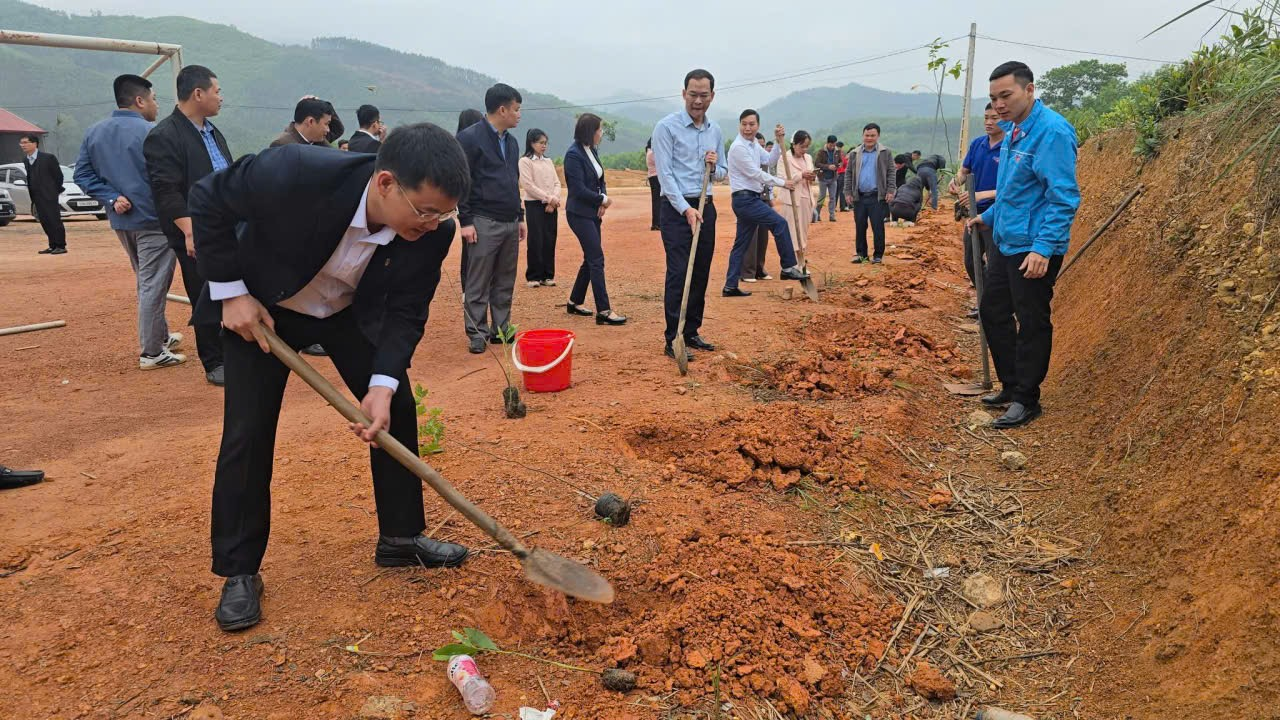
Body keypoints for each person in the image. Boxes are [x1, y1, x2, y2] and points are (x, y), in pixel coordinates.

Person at [188, 123, 472, 632]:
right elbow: (208, 198)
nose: (433, 225)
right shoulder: (295, 171)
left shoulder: (433, 234)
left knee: (397, 405)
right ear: (386, 183)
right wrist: (231, 292)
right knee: (248, 432)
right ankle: (239, 570)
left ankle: (400, 538)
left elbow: (406, 310)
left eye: (443, 214)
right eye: (425, 211)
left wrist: (381, 385)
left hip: (346, 314)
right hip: (263, 308)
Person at [969, 61, 1080, 429]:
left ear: (1029, 90)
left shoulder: (1051, 133)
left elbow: (1062, 197)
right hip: (1008, 239)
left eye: (1006, 95)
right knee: (992, 310)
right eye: (993, 98)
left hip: (1033, 245)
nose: (999, 104)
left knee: (1031, 319)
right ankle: (1012, 384)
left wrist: (1043, 248)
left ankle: (1027, 399)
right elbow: (1015, 189)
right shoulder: (1014, 129)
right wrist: (988, 217)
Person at [75, 74, 186, 371]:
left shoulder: (94, 132)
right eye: (153, 99)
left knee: (146, 280)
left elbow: (82, 175)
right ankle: (152, 352)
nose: (156, 105)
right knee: (153, 284)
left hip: (123, 222)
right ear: (139, 100)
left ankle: (160, 335)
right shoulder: (154, 133)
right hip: (154, 221)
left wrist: (111, 197)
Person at [143, 64, 230, 385]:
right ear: (198, 94)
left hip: (225, 225)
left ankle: (236, 351)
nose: (221, 97)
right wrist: (190, 229)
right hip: (195, 231)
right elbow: (166, 190)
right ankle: (214, 361)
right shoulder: (164, 136)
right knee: (204, 292)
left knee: (233, 287)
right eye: (217, 91)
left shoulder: (212, 131)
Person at [652, 68, 727, 363]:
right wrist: (685, 208)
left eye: (703, 95)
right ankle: (674, 337)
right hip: (676, 209)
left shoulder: (715, 130)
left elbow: (722, 173)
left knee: (701, 270)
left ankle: (692, 330)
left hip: (705, 205)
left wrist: (715, 165)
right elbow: (665, 175)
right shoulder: (666, 128)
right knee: (679, 271)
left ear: (712, 96)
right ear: (683, 94)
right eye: (693, 95)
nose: (698, 101)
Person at [457, 84, 525, 354]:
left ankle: (501, 328)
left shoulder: (512, 142)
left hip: (510, 219)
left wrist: (520, 216)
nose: (519, 115)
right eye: (516, 109)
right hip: (483, 219)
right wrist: (465, 221)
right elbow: (463, 181)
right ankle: (477, 332)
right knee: (478, 280)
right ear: (502, 109)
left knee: (505, 279)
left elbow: (513, 181)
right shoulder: (469, 138)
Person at [722, 109, 807, 298]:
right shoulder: (738, 147)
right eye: (744, 124)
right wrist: (782, 182)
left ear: (758, 126)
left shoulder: (753, 145)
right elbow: (755, 173)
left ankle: (730, 286)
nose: (747, 128)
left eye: (751, 124)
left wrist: (777, 141)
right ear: (739, 125)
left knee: (741, 245)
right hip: (745, 199)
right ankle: (788, 267)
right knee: (780, 224)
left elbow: (769, 160)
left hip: (750, 198)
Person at [563, 114, 626, 325]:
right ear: (590, 131)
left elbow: (601, 179)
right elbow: (578, 189)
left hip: (592, 212)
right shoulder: (573, 155)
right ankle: (604, 310)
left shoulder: (592, 150)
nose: (602, 133)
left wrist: (601, 199)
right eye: (599, 129)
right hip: (579, 214)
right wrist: (602, 200)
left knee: (591, 258)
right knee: (596, 258)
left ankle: (574, 301)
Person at [951, 103, 1006, 288]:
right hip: (974, 212)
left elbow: (1014, 188)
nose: (989, 122)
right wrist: (956, 181)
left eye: (994, 118)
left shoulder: (1010, 147)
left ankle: (994, 301)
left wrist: (981, 195)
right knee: (971, 262)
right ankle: (984, 298)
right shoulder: (977, 144)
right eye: (986, 118)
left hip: (997, 213)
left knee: (995, 264)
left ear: (1005, 119)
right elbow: (964, 171)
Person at [844, 123, 896, 264]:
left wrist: (891, 190)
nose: (869, 138)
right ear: (863, 135)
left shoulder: (885, 152)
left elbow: (891, 172)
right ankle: (862, 255)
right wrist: (848, 192)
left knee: (877, 226)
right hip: (859, 196)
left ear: (878, 136)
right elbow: (848, 174)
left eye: (872, 135)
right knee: (860, 226)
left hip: (877, 196)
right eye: (867, 135)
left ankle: (878, 255)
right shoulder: (855, 153)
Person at [518, 128, 561, 288]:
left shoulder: (548, 161)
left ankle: (547, 275)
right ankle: (534, 276)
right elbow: (528, 185)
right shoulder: (525, 161)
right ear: (532, 143)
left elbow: (557, 182)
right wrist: (549, 198)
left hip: (551, 204)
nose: (544, 146)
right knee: (536, 239)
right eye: (541, 143)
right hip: (534, 204)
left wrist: (553, 199)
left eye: (545, 143)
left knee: (550, 238)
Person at [19, 134, 66, 255]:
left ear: (35, 143)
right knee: (44, 220)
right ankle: (52, 245)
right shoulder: (26, 160)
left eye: (25, 142)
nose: (23, 145)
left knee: (54, 219)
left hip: (49, 195)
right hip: (36, 196)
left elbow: (58, 176)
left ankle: (61, 245)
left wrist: (53, 191)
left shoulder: (48, 158)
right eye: (21, 143)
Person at [455, 109, 485, 289]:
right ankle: (469, 287)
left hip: (470, 206)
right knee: (471, 246)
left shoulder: (457, 146)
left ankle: (469, 286)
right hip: (472, 206)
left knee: (472, 248)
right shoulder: (465, 147)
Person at [739, 132, 775, 283]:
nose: (761, 149)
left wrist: (770, 199)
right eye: (758, 146)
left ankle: (759, 268)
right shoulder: (745, 159)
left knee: (762, 236)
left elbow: (768, 181)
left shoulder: (765, 162)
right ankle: (747, 272)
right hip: (749, 199)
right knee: (750, 236)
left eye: (763, 146)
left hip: (764, 199)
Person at [775, 130, 816, 257]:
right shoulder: (784, 158)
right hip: (791, 200)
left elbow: (812, 178)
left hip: (806, 198)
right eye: (802, 146)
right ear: (794, 144)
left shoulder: (808, 158)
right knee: (792, 230)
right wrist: (801, 175)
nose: (804, 149)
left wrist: (812, 177)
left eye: (807, 146)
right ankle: (791, 259)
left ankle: (801, 257)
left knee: (803, 230)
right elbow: (782, 179)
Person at [270, 97, 340, 148]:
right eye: (326, 124)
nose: (328, 129)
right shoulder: (282, 145)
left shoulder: (320, 142)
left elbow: (338, 130)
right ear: (311, 121)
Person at [812, 135, 842, 222]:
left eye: (834, 145)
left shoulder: (837, 151)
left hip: (833, 178)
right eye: (831, 145)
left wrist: (839, 165)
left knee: (833, 197)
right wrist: (828, 166)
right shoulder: (821, 152)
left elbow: (840, 161)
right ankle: (817, 214)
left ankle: (832, 216)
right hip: (823, 178)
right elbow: (817, 163)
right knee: (822, 196)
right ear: (827, 143)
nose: (832, 147)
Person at [645, 138, 660, 231]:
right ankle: (657, 223)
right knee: (658, 201)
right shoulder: (652, 153)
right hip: (656, 177)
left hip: (652, 177)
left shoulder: (648, 152)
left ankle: (656, 223)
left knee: (656, 201)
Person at [835, 142, 850, 211]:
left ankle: (833, 207)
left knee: (835, 191)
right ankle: (842, 207)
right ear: (842, 146)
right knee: (842, 191)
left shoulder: (833, 153)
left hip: (835, 174)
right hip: (842, 173)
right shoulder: (841, 153)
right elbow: (845, 163)